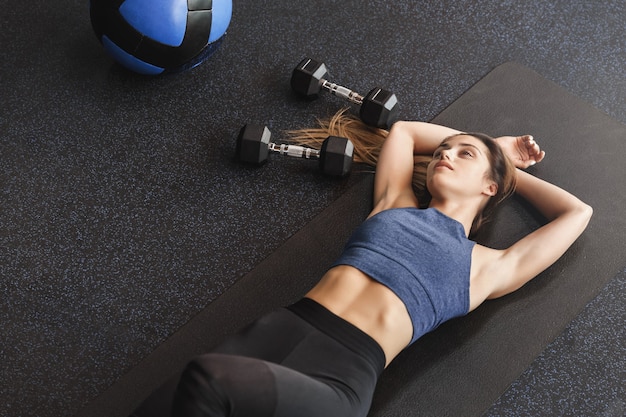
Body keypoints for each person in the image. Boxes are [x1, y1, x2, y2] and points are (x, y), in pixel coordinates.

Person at [138, 111, 592, 417]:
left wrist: (506, 166)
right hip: (279, 329)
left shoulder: (487, 268)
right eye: (443, 151)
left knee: (208, 379)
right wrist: (493, 147)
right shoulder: (393, 204)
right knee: (166, 399)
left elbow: (577, 213)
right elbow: (405, 134)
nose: (445, 154)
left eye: (463, 154)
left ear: (490, 188)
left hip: (341, 375)